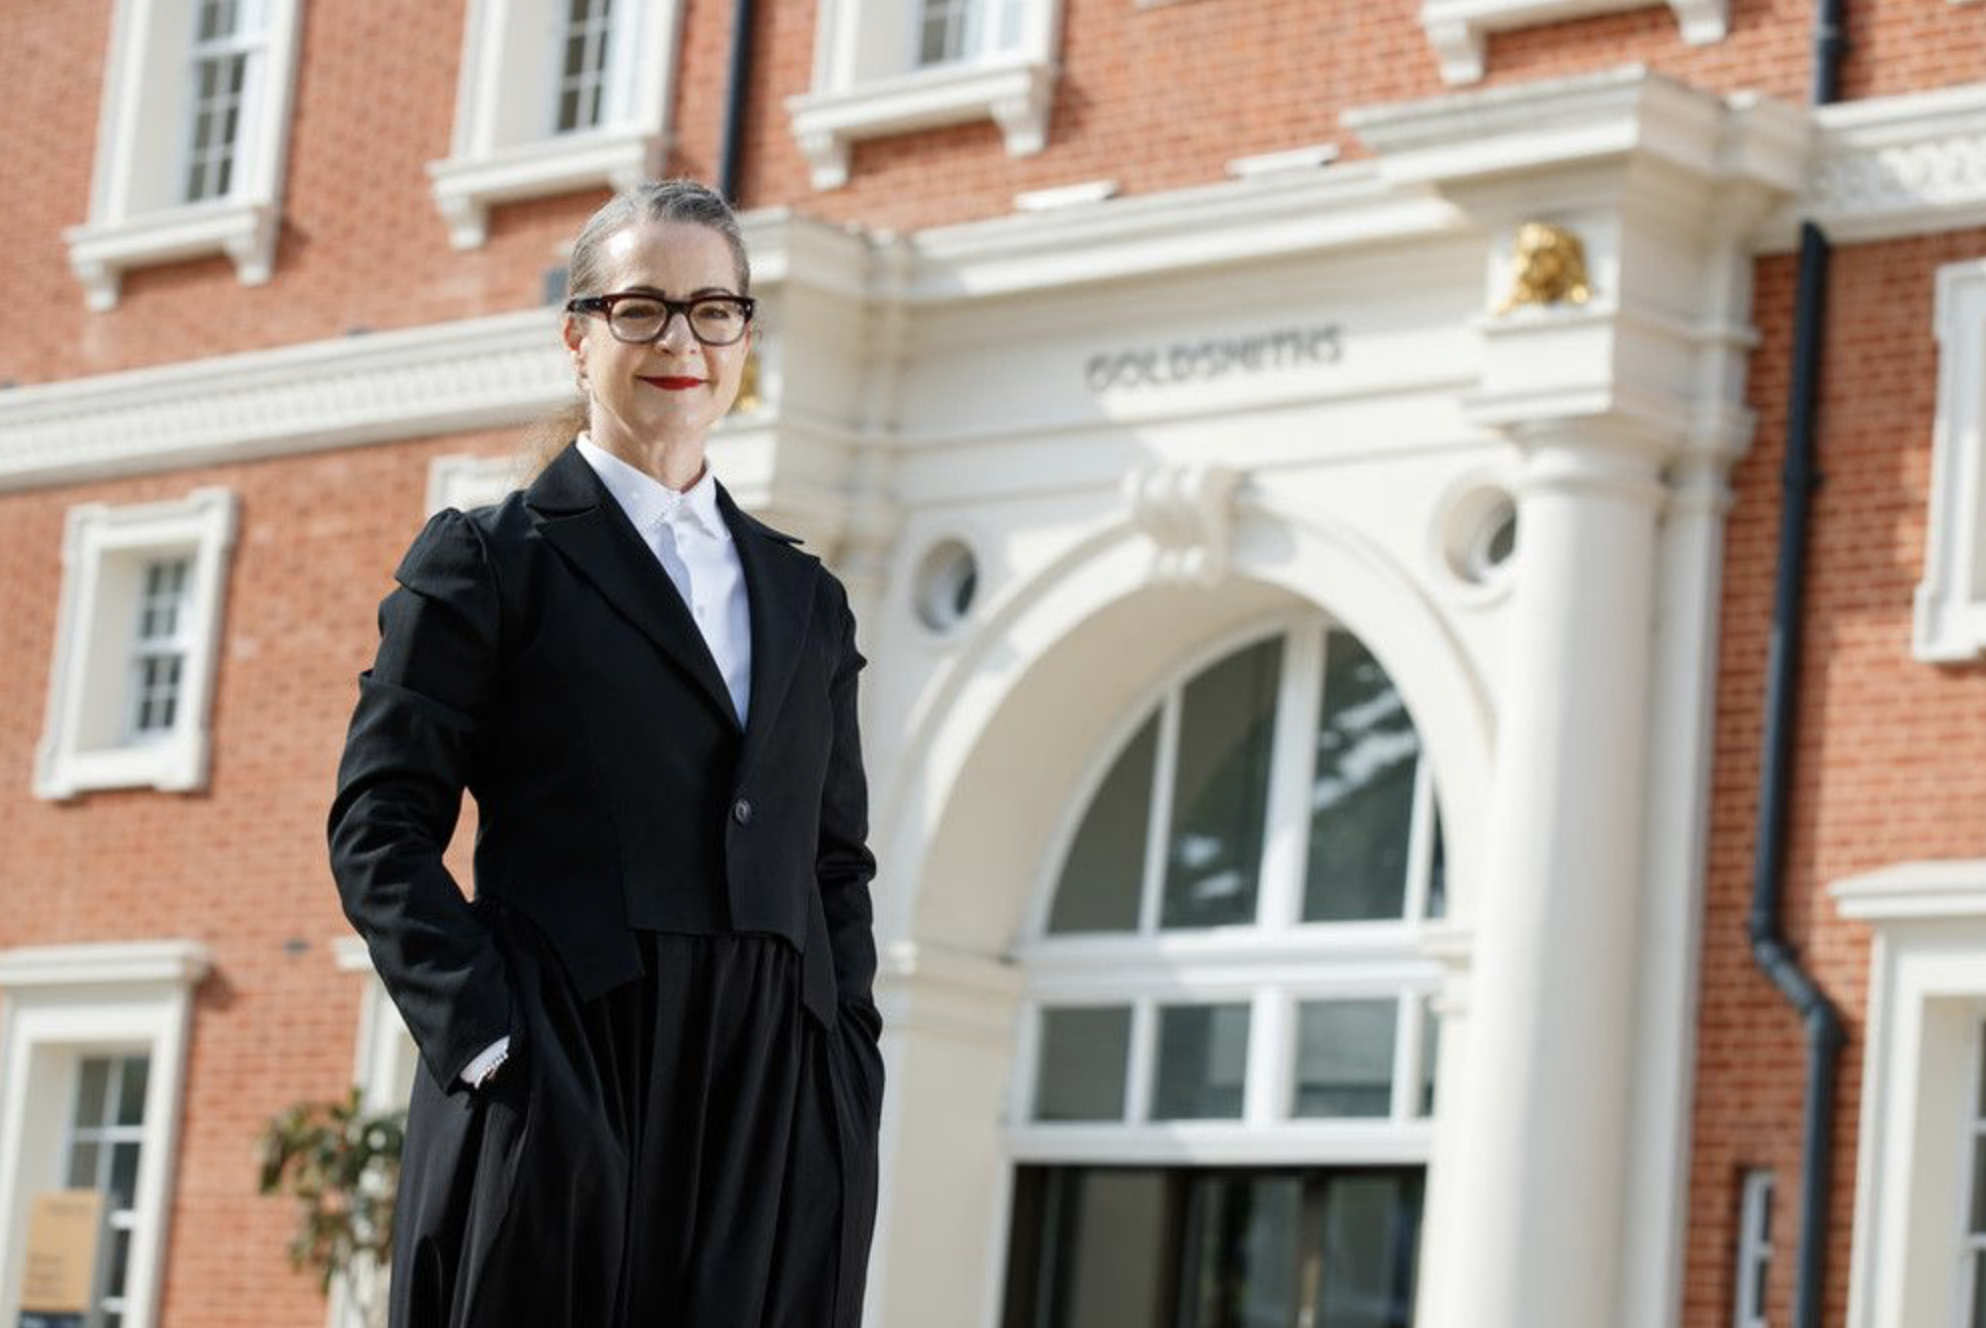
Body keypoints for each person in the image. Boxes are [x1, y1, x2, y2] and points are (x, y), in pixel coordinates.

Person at [327, 178, 885, 1328]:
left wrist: (845, 1065)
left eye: (713, 310)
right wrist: (491, 1041)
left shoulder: (808, 598)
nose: (681, 340)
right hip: (568, 1066)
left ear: (745, 340)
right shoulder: (490, 560)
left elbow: (835, 862)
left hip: (773, 1099)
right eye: (642, 309)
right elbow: (378, 824)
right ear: (578, 338)